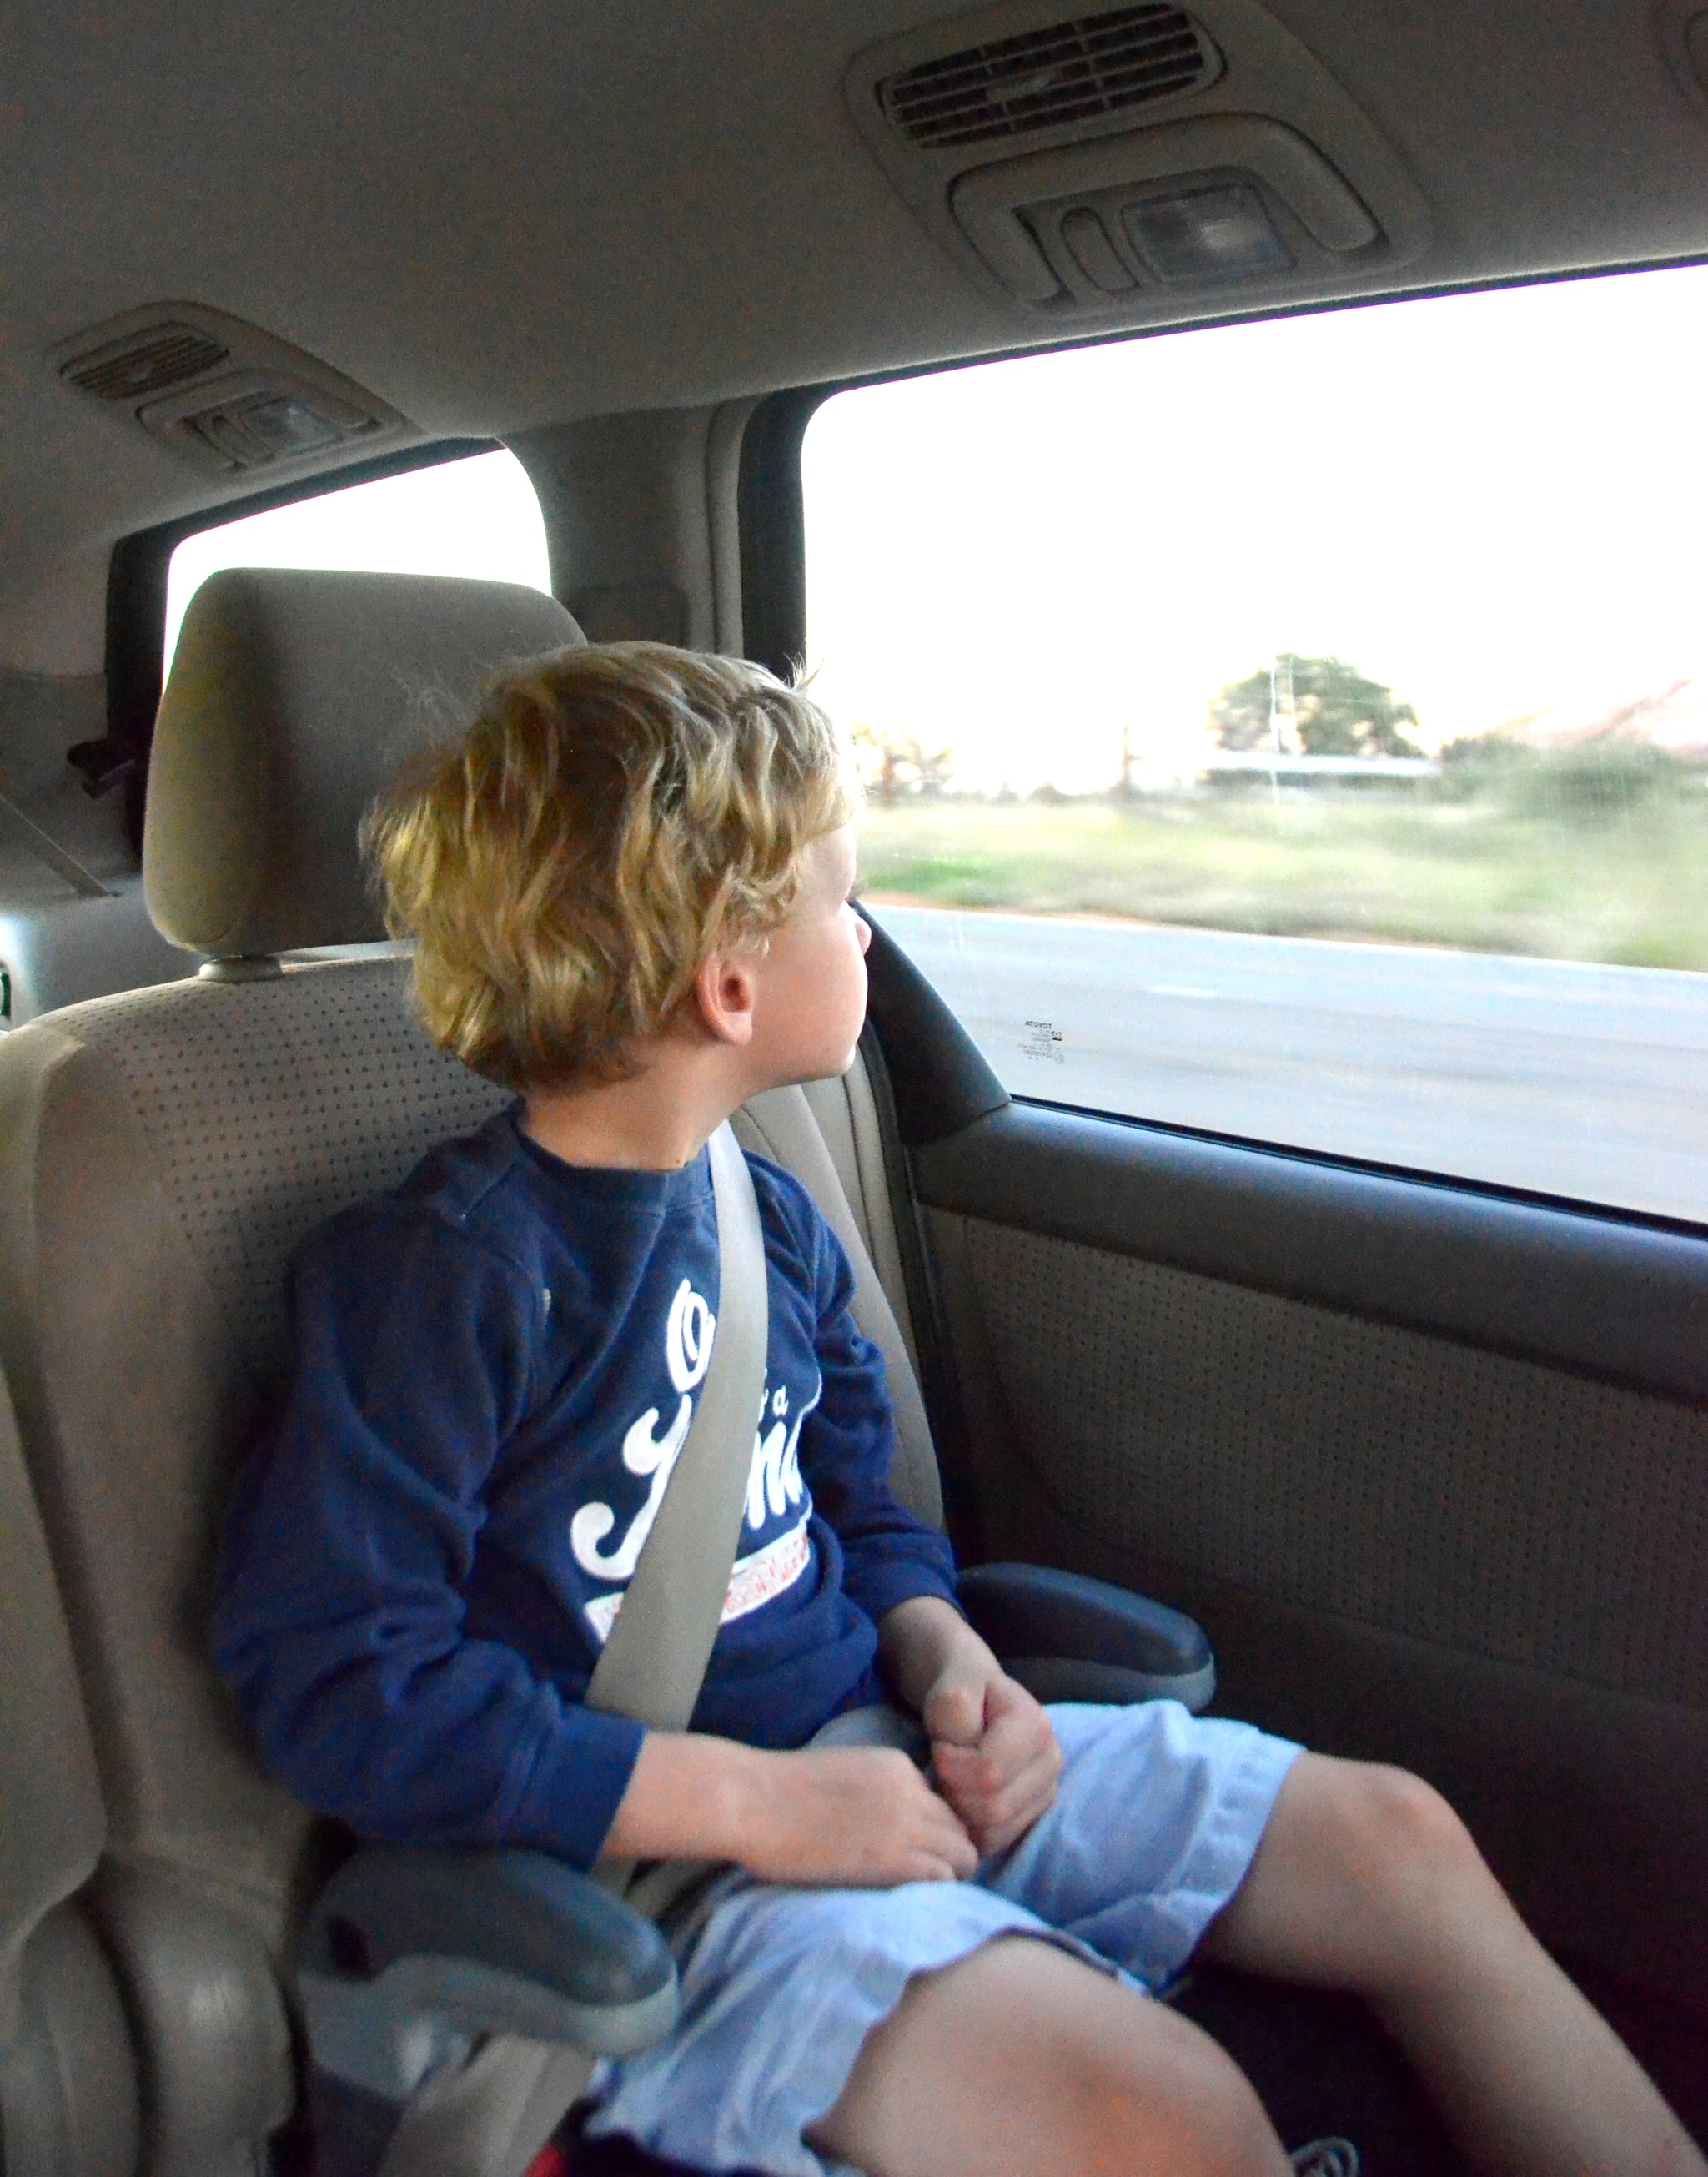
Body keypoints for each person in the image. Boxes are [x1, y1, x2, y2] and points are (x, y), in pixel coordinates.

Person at [214, 643, 1703, 2177]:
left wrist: (948, 1654)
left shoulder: (761, 1216)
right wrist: (768, 1809)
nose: (865, 933)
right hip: (678, 1885)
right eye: (840, 900)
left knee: (1398, 1841)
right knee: (1164, 2117)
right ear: (730, 982)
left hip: (888, 1766)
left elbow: (858, 1504)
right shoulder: (441, 1284)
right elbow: (332, 1671)